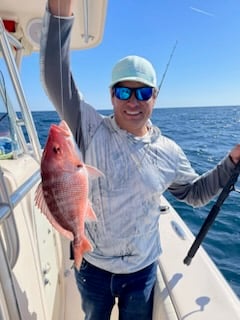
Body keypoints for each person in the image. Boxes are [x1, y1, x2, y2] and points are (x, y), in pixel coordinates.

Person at [40, 1, 240, 319]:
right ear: (111, 96)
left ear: (155, 97)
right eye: (123, 93)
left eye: (143, 93)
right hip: (92, 267)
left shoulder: (169, 151)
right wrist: (60, 14)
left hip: (141, 272)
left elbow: (195, 194)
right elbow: (55, 78)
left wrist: (231, 161)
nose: (133, 102)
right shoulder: (88, 127)